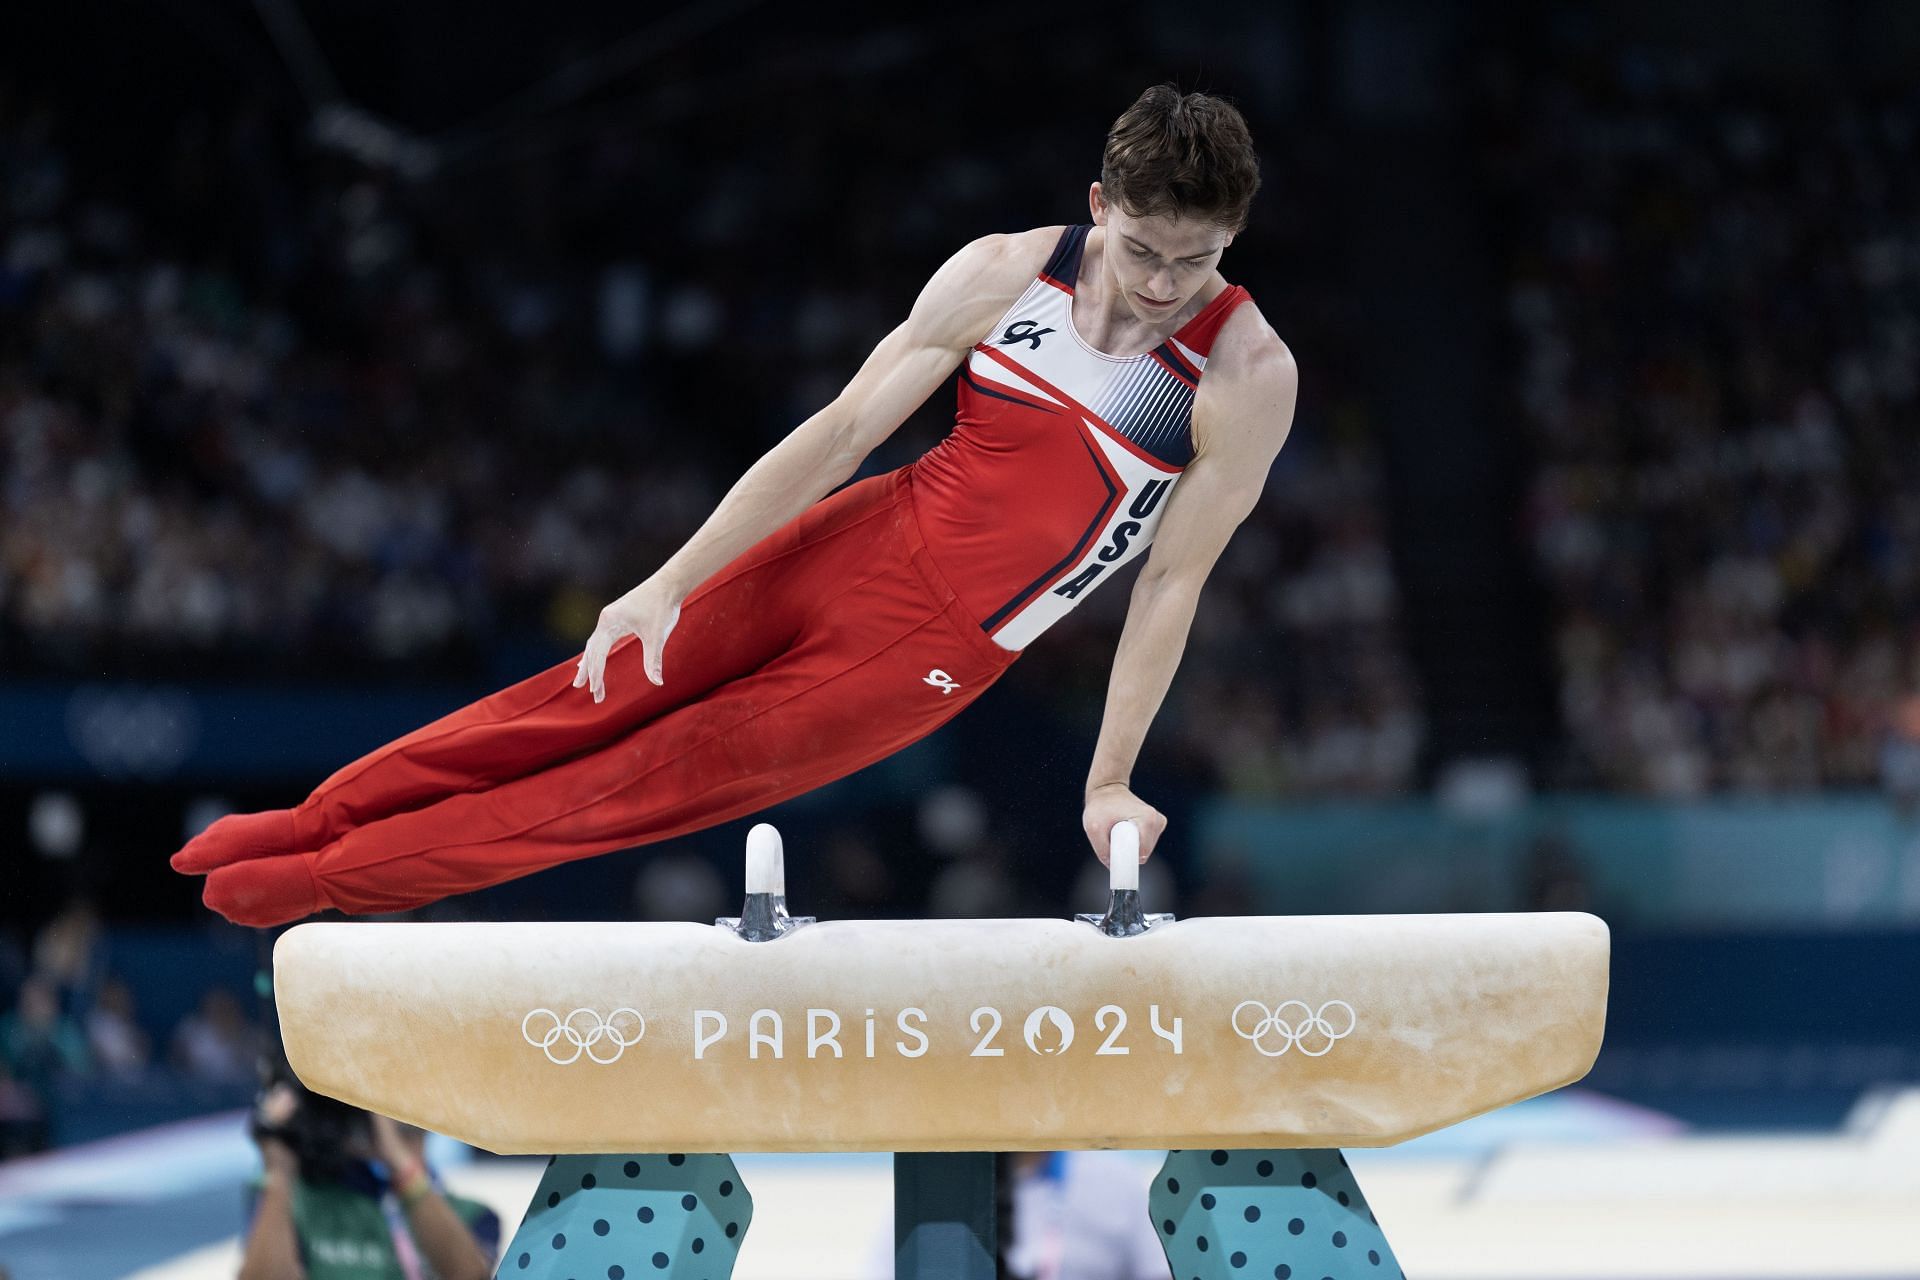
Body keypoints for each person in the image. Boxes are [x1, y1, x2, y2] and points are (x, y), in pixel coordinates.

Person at [170, 84, 1298, 928]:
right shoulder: (1007, 270)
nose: (1159, 283)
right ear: (1099, 203)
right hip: (861, 530)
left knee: (623, 788)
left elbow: (1170, 579)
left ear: (1232, 238)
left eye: (1191, 262)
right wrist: (666, 583)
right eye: (1142, 248)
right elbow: (843, 434)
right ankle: (313, 819)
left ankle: (317, 883)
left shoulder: (1242, 374)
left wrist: (1107, 778)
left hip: (933, 650)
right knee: (577, 694)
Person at [239, 1079, 498, 1280]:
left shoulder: (471, 1214)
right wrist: (280, 1175)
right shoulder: (298, 1205)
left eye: (407, 1126)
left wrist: (396, 1159)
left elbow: (472, 1275)